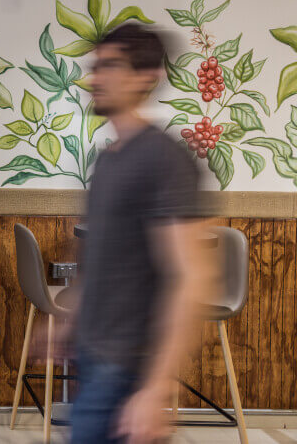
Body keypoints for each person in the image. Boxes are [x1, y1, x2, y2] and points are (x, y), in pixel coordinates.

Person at [63, 24, 214, 443]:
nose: (96, 77)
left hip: (126, 367)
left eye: (111, 66)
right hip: (94, 356)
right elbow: (106, 261)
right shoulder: (109, 159)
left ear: (147, 76)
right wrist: (69, 323)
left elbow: (189, 278)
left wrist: (155, 389)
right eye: (95, 66)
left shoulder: (164, 159)